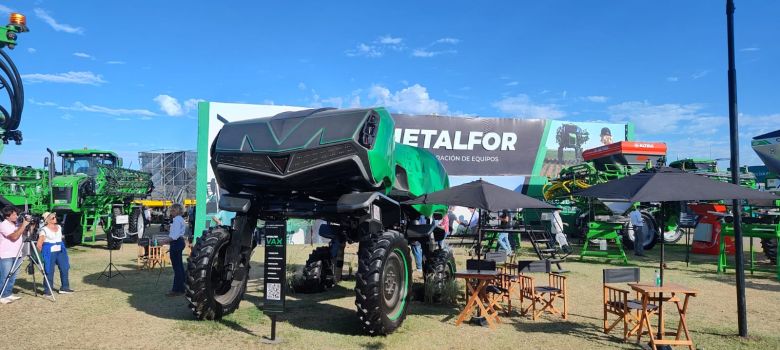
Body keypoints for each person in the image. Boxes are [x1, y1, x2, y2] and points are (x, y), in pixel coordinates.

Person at [36, 212, 73, 295]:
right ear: (47, 220)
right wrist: (40, 255)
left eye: (55, 217)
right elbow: (39, 244)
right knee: (49, 270)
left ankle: (65, 287)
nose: (55, 218)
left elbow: (60, 237)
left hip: (60, 250)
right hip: (49, 251)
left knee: (65, 267)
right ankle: (47, 290)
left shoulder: (59, 227)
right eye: (53, 218)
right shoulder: (44, 230)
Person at [0, 206, 30, 304]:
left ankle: (8, 293)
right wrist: (23, 225)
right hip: (6, 254)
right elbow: (14, 237)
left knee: (13, 276)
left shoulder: (16, 224)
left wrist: (30, 225)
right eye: (13, 214)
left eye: (16, 214)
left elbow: (26, 234)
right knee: (5, 276)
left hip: (18, 253)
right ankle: (2, 295)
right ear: (7, 216)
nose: (16, 216)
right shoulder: (3, 225)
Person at [167, 203, 187, 297]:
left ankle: (176, 289)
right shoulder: (179, 220)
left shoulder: (177, 220)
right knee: (179, 266)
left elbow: (174, 236)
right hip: (179, 242)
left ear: (178, 211)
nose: (171, 211)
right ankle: (182, 288)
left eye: (173, 210)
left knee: (177, 267)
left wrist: (163, 241)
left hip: (176, 242)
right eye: (171, 210)